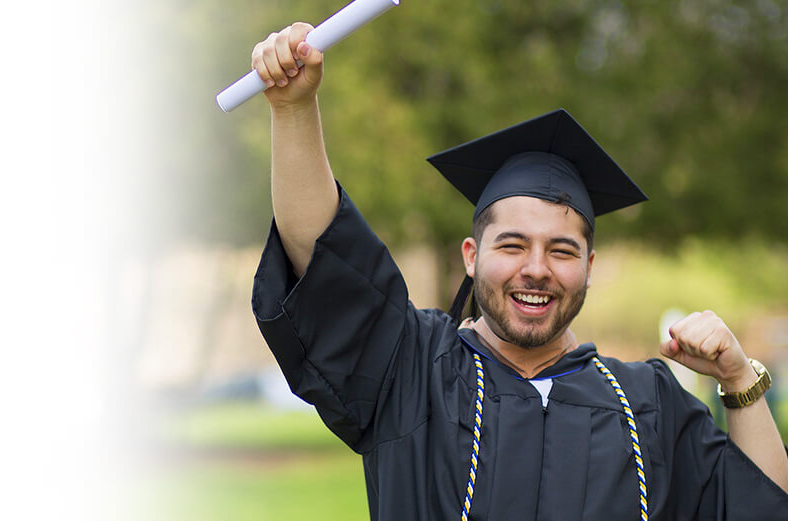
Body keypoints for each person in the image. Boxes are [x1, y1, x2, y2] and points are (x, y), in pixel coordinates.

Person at [248, 22, 788, 520]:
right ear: (471, 255)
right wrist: (294, 110)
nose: (537, 270)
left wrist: (741, 383)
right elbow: (323, 253)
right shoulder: (409, 371)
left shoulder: (650, 404)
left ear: (589, 266)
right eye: (512, 245)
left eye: (562, 250)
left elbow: (760, 507)